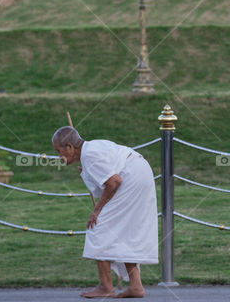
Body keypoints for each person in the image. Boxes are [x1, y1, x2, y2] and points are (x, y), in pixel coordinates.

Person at [53, 126, 158, 298]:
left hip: (131, 179)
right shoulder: (92, 149)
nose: (59, 157)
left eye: (59, 151)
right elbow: (109, 175)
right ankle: (136, 287)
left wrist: (96, 210)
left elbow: (113, 182)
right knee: (124, 232)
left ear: (70, 147)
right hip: (140, 173)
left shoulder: (89, 155)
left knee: (98, 228)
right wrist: (87, 172)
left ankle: (106, 287)